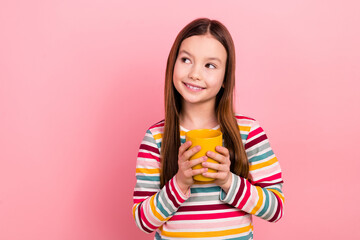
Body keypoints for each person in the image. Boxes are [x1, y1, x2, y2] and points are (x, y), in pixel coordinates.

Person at [132, 18, 284, 240]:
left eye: (210, 65)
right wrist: (180, 182)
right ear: (173, 63)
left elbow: (276, 208)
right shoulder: (156, 138)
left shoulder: (249, 132)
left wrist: (227, 180)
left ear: (225, 77)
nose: (195, 73)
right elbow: (143, 221)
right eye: (186, 60)